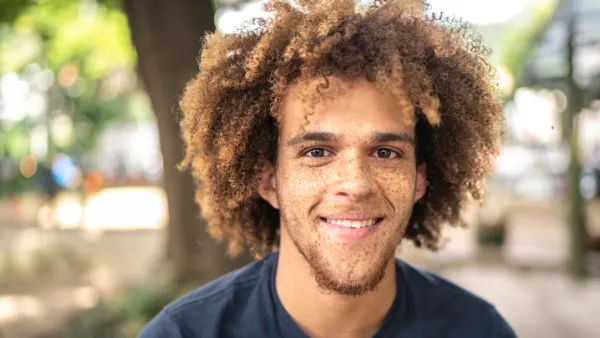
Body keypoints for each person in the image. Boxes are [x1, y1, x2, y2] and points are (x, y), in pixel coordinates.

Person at [140, 0, 516, 337]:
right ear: (268, 181)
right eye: (317, 151)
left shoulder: (480, 329)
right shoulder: (181, 334)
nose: (355, 183)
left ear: (419, 179)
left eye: (385, 153)